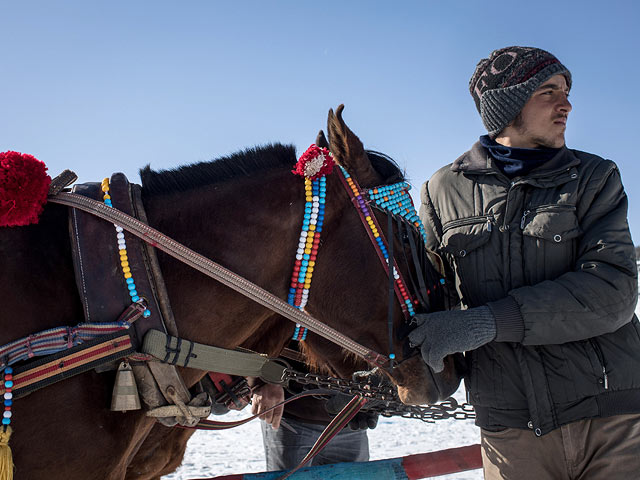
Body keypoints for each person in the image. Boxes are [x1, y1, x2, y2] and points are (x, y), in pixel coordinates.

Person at [408, 46, 640, 479]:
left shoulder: (593, 177)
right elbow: (432, 303)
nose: (566, 103)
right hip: (510, 431)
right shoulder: (441, 190)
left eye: (566, 90)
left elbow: (615, 290)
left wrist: (491, 321)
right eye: (548, 91)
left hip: (611, 421)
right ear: (508, 105)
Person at [250, 349, 376, 471]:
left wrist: (376, 398)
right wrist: (264, 380)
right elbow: (261, 331)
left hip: (351, 418)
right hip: (292, 416)